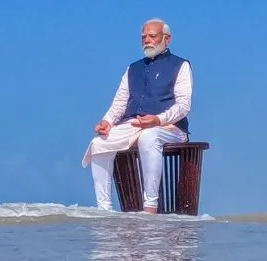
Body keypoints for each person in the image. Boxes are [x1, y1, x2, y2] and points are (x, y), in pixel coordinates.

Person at [82, 19, 193, 213]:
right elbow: (119, 102)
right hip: (134, 124)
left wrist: (158, 120)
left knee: (149, 137)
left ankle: (150, 206)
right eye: (143, 37)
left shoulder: (181, 65)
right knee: (98, 144)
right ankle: (104, 210)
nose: (147, 41)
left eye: (152, 36)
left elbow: (184, 106)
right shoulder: (133, 68)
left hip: (170, 128)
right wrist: (107, 121)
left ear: (167, 39)